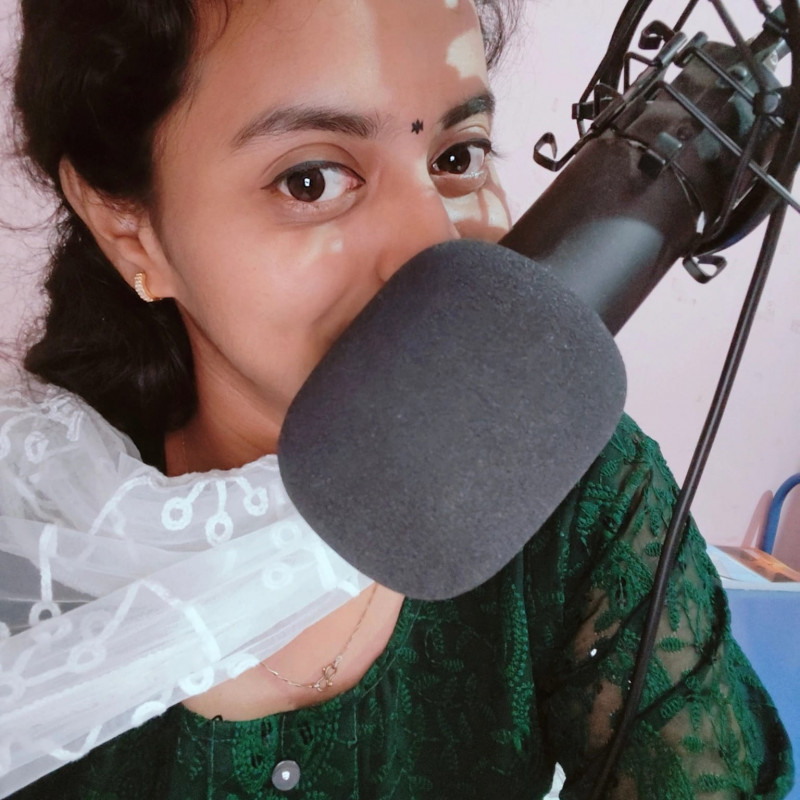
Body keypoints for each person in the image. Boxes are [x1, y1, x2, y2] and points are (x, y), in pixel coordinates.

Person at [0, 0, 793, 797]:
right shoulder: (29, 540)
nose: (432, 244)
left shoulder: (580, 492)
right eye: (310, 179)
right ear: (128, 227)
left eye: (457, 157)